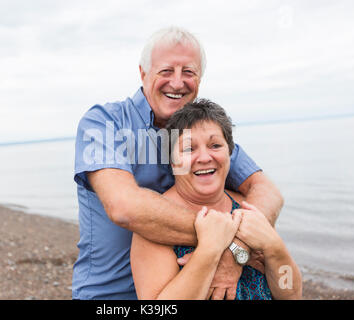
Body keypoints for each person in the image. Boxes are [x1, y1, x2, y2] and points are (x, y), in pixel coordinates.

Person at [73, 26, 284, 299]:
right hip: (111, 295)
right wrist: (225, 241)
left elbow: (267, 191)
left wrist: (238, 248)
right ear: (143, 73)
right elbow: (124, 207)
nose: (177, 82)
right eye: (166, 71)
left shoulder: (202, 137)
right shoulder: (104, 123)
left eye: (189, 72)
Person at [131, 99, 302, 300]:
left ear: (230, 152)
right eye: (188, 149)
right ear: (172, 161)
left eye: (215, 145)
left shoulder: (248, 208)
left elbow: (291, 294)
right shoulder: (156, 221)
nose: (204, 157)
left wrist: (274, 247)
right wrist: (210, 251)